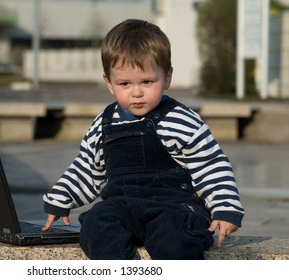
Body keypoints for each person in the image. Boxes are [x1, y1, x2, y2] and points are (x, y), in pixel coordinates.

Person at [42, 19, 244, 260]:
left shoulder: (181, 119)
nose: (137, 92)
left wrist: (225, 208)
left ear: (167, 77)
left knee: (175, 239)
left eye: (147, 82)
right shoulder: (104, 123)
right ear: (109, 83)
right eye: (125, 84)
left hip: (173, 207)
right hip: (123, 207)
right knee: (97, 223)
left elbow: (210, 164)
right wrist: (61, 198)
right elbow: (87, 167)